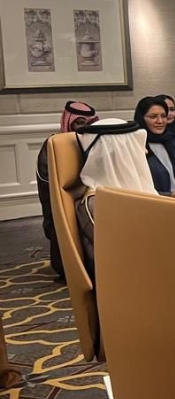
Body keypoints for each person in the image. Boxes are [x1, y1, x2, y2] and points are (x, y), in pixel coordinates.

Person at [73, 119, 157, 279]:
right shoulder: (98, 203)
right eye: (133, 147)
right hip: (132, 280)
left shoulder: (130, 188)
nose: (145, 151)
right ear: (120, 155)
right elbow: (127, 252)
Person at [37, 101, 98, 280]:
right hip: (60, 196)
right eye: (80, 122)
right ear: (68, 122)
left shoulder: (90, 142)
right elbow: (47, 178)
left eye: (89, 123)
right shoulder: (54, 144)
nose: (85, 127)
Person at [133, 97, 175, 198]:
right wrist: (171, 195)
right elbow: (137, 188)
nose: (160, 121)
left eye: (164, 116)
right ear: (142, 118)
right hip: (155, 203)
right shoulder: (136, 147)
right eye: (153, 117)